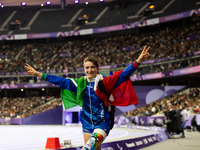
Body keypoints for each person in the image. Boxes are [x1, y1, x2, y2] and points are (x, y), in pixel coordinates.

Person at [25, 46, 150, 150]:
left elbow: (123, 75)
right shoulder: (80, 84)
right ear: (84, 69)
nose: (90, 70)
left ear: (97, 69)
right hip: (86, 124)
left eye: (92, 67)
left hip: (102, 123)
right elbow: (60, 81)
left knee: (87, 149)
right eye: (87, 67)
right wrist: (38, 74)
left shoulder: (105, 82)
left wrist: (138, 61)